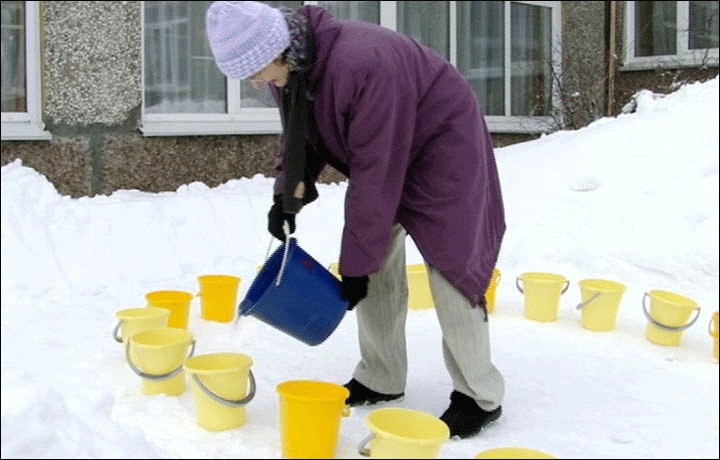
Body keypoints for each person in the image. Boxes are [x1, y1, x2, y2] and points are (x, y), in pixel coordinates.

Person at [205, 1, 506, 439]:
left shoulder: (361, 63)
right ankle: (381, 376)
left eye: (256, 71)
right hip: (383, 151)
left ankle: (479, 396)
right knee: (374, 255)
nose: (255, 83)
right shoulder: (290, 67)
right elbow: (299, 134)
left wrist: (356, 265)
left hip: (443, 148)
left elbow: (376, 175)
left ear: (279, 50)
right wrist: (288, 196)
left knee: (451, 266)